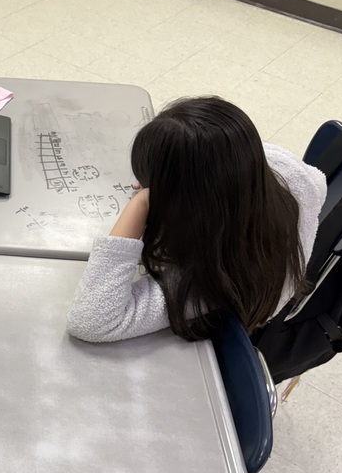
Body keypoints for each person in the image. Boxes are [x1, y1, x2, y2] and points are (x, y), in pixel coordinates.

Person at [66, 96, 327, 343]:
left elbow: (91, 320)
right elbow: (218, 150)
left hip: (244, 332)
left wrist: (142, 203)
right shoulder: (280, 172)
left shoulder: (217, 278)